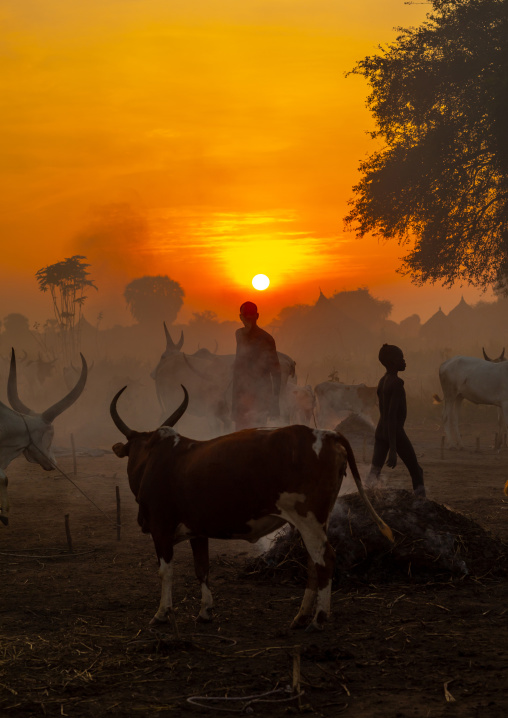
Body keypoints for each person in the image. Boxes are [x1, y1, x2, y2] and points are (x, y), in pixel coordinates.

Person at [366, 343, 426, 497]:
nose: (404, 361)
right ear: (393, 361)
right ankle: (421, 505)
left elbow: (384, 414)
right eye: (401, 358)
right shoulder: (397, 383)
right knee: (416, 471)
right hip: (395, 433)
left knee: (374, 473)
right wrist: (393, 449)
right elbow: (392, 416)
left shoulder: (382, 380)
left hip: (380, 431)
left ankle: (368, 501)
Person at [232, 301, 281, 430]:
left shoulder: (267, 339)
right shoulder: (239, 335)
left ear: (257, 316)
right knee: (239, 435)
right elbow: (238, 366)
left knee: (258, 433)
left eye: (250, 317)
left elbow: (276, 371)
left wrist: (275, 401)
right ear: (240, 317)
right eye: (245, 317)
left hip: (261, 395)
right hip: (241, 394)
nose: (247, 320)